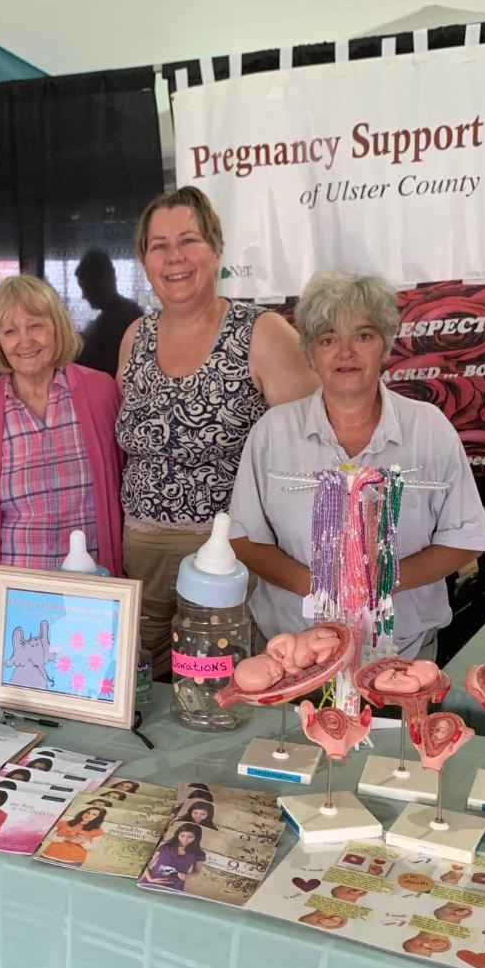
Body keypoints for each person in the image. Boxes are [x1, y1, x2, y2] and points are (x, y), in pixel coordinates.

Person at [229, 269, 485, 658]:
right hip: (292, 655)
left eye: (363, 336)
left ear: (386, 346)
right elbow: (245, 537)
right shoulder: (273, 432)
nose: (345, 352)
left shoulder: (429, 429)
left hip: (402, 655)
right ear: (310, 354)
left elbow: (464, 538)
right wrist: (320, 584)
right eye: (328, 339)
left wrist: (379, 581)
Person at [116, 187, 317, 671]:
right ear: (144, 260)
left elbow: (314, 445)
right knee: (144, 688)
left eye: (189, 240)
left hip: (230, 559)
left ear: (217, 249)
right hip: (141, 554)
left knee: (224, 688)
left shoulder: (260, 332)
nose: (174, 257)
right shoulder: (135, 337)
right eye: (158, 245)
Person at [0, 275, 124, 624]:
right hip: (14, 600)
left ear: (57, 327)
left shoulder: (101, 393)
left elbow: (128, 492)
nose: (25, 341)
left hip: (95, 594)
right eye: (10, 331)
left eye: (35, 325)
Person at [74, 249, 143, 376]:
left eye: (85, 288)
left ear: (99, 283)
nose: (84, 296)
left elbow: (93, 365)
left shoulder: (121, 318)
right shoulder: (120, 313)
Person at [141, 822, 206, 891]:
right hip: (150, 882)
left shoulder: (199, 854)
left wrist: (188, 876)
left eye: (190, 837)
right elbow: (147, 864)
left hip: (174, 886)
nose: (185, 839)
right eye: (182, 835)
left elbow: (197, 871)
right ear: (178, 834)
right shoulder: (166, 846)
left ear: (196, 838)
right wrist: (150, 879)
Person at [41, 804, 107, 864]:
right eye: (88, 812)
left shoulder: (98, 831)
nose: (89, 815)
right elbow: (46, 837)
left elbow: (93, 849)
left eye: (94, 815)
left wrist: (83, 842)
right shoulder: (63, 822)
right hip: (49, 856)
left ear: (98, 818)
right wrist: (64, 839)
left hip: (73, 862)